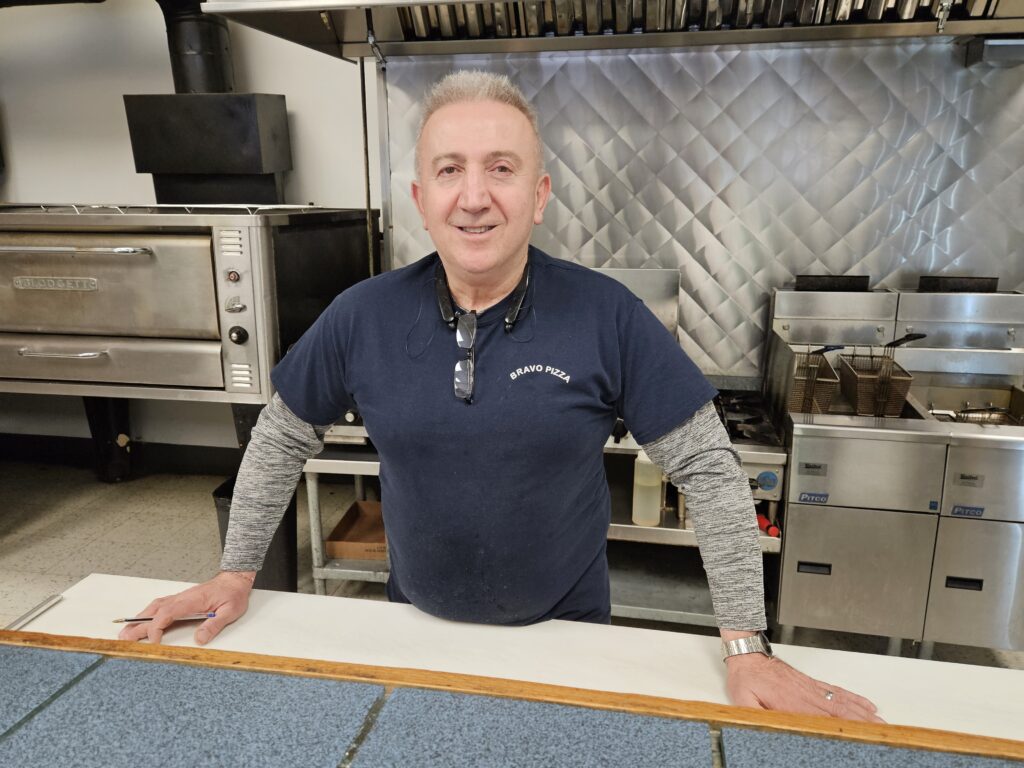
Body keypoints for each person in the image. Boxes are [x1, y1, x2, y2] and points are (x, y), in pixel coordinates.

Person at [120, 71, 880, 723]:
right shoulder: (363, 315)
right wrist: (234, 570)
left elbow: (712, 472)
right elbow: (281, 436)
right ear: (422, 197)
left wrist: (745, 644)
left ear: (540, 193)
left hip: (570, 635)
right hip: (414, 626)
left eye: (501, 168)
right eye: (449, 170)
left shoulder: (607, 314)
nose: (474, 197)